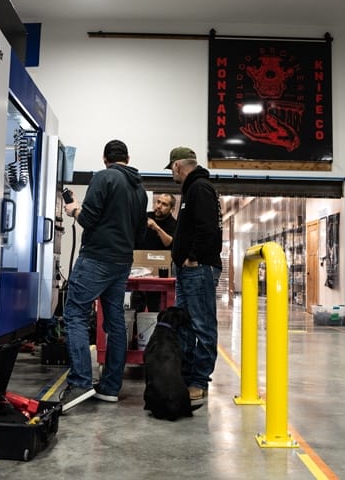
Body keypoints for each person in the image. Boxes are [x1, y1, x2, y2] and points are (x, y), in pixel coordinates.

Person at [60, 140, 148, 411]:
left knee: (74, 313)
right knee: (115, 320)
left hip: (97, 257)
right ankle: (110, 387)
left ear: (104, 158)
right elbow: (140, 232)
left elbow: (88, 219)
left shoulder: (104, 177)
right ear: (128, 157)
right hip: (122, 261)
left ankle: (81, 383)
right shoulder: (140, 189)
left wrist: (74, 209)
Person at [165, 146, 223, 406]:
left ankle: (199, 380)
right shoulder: (192, 189)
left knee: (202, 325)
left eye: (172, 170)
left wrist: (192, 257)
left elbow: (208, 229)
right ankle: (187, 376)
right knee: (185, 325)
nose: (172, 175)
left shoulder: (199, 188)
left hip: (198, 269)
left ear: (178, 166)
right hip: (190, 270)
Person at [132, 193, 178, 311]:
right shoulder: (147, 217)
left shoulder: (173, 224)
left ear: (171, 209)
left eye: (164, 204)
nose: (159, 206)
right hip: (140, 270)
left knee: (155, 308)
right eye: (158, 202)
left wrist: (156, 227)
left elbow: (169, 242)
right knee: (136, 306)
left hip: (159, 273)